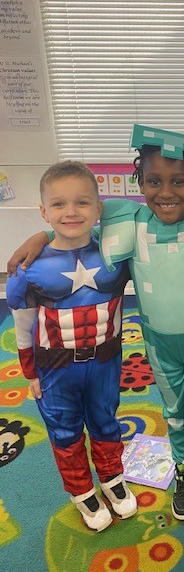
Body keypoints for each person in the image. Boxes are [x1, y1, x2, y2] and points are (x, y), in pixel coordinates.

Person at [7, 125, 184, 527]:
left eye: (178, 181)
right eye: (153, 181)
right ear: (140, 183)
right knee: (175, 414)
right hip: (159, 345)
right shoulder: (129, 223)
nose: (165, 192)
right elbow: (76, 228)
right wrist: (41, 236)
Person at [6, 161, 137, 532]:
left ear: (98, 208)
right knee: (64, 430)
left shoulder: (116, 254)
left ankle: (111, 477)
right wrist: (30, 372)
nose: (71, 212)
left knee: (106, 420)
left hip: (105, 361)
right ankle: (81, 490)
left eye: (82, 202)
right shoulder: (30, 267)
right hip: (56, 368)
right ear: (43, 211)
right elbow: (23, 325)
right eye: (59, 204)